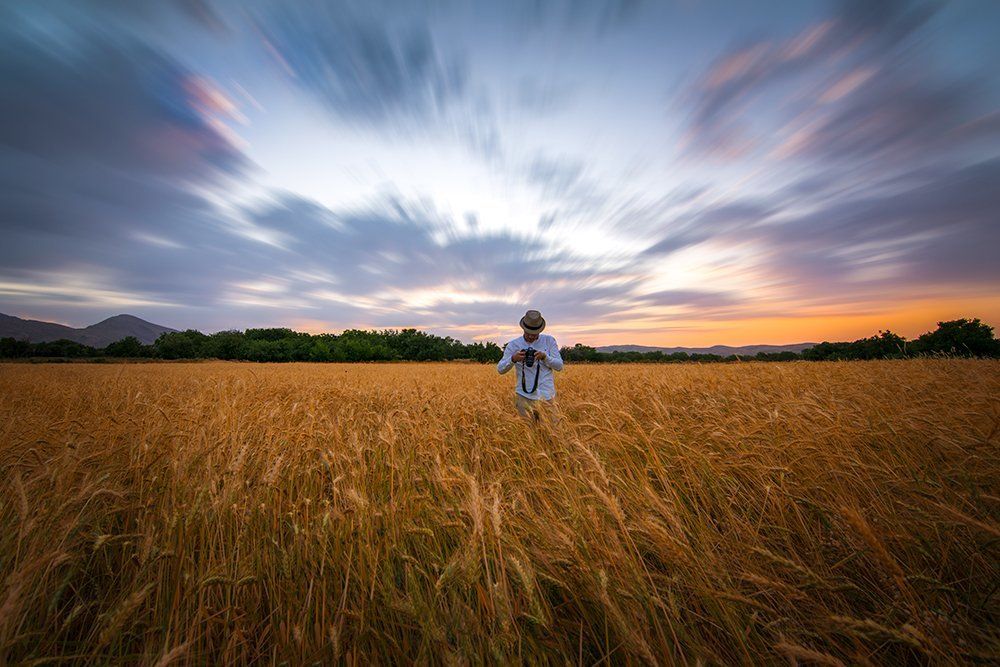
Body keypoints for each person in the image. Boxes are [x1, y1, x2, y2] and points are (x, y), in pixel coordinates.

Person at [497, 309, 564, 422]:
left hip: (547, 396)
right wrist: (513, 359)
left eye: (535, 334)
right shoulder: (514, 345)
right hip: (524, 397)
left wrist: (545, 357)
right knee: (529, 434)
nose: (532, 337)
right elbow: (500, 369)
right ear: (523, 328)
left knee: (552, 433)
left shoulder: (549, 341)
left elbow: (559, 366)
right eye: (529, 333)